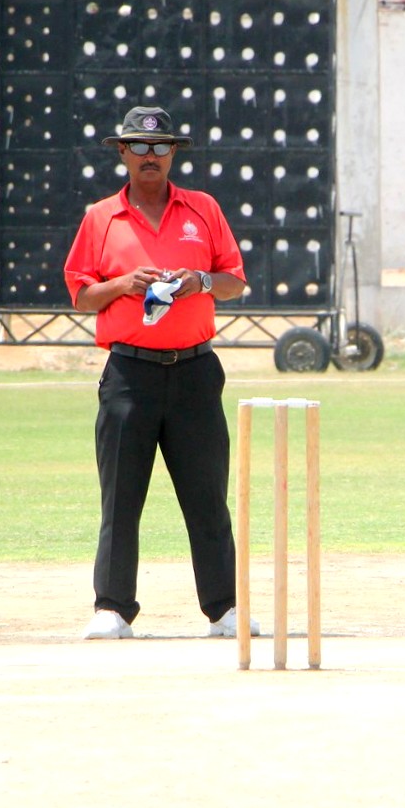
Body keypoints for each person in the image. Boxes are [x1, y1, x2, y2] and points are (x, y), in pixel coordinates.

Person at [63, 105, 258, 640]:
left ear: (174, 153)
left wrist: (199, 280)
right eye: (139, 147)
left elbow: (234, 282)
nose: (150, 156)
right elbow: (81, 294)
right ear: (122, 153)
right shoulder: (101, 217)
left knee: (207, 496)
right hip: (130, 373)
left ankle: (225, 608)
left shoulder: (203, 208)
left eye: (160, 147)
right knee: (121, 497)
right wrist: (124, 283)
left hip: (195, 370)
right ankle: (112, 608)